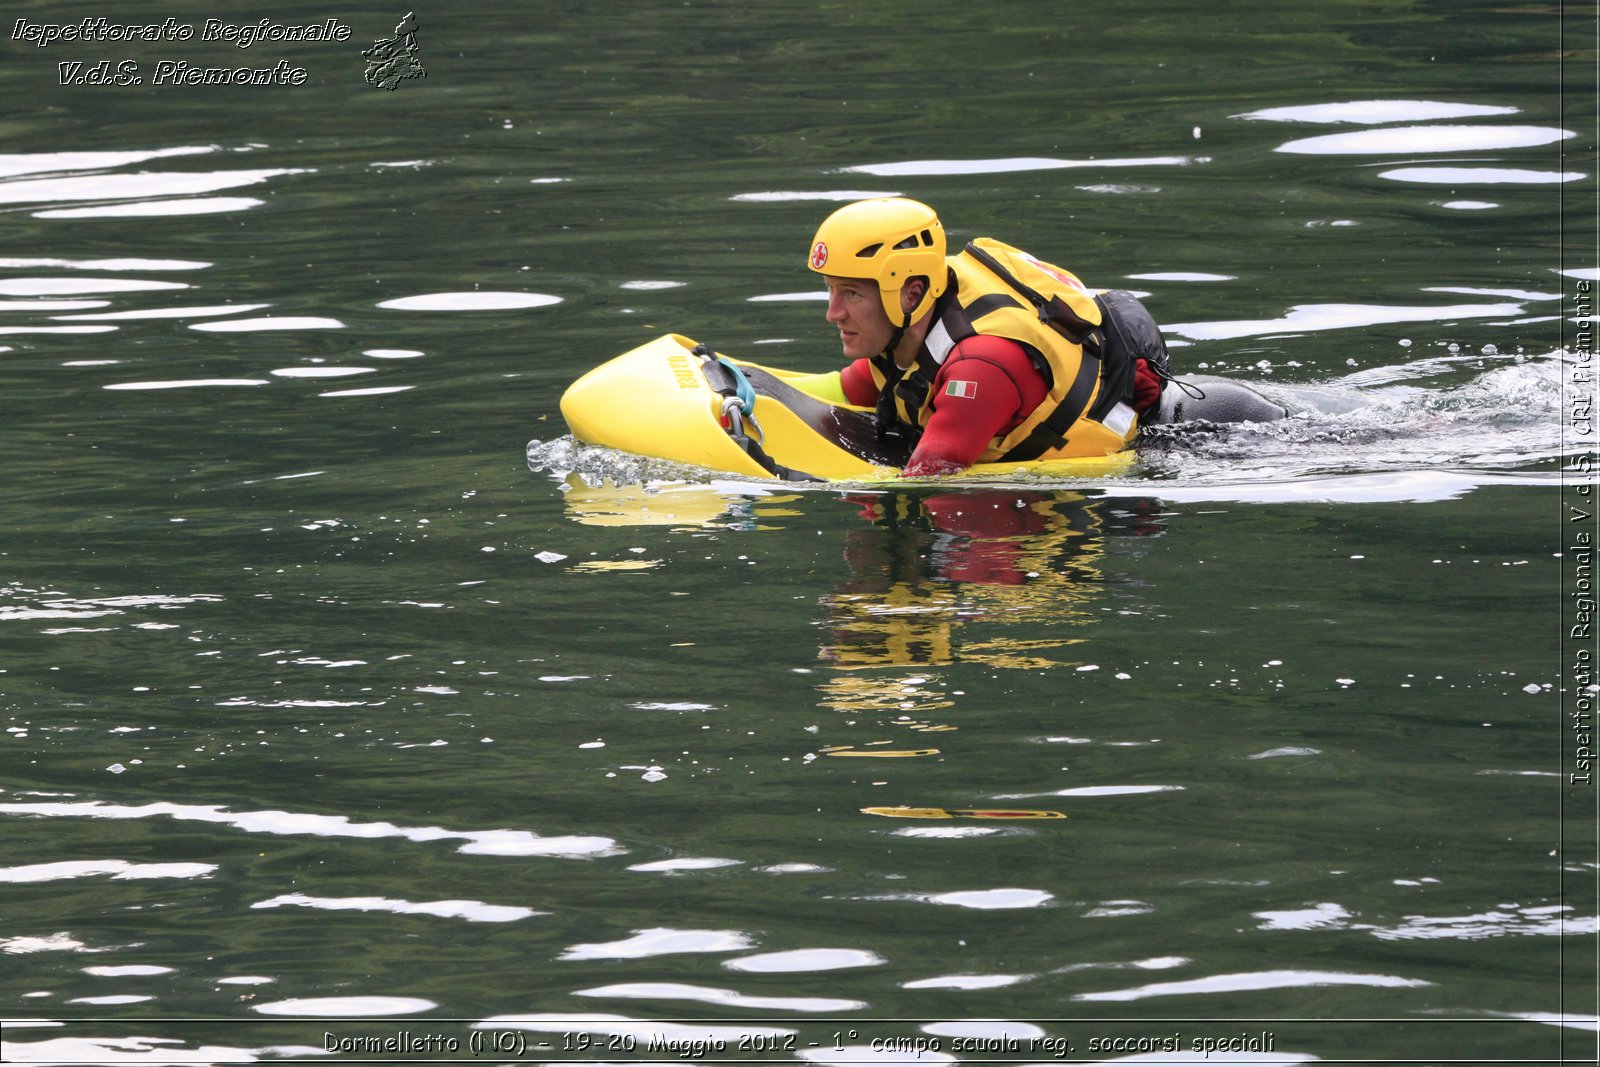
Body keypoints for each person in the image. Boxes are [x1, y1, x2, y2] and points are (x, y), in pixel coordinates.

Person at [798, 197, 1172, 476]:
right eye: (830, 290)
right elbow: (838, 392)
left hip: (1159, 460)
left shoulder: (980, 368)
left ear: (911, 293)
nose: (833, 313)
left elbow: (926, 480)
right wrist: (742, 382)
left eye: (852, 293)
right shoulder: (904, 331)